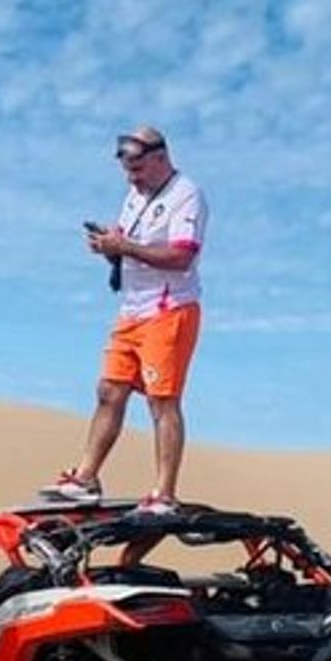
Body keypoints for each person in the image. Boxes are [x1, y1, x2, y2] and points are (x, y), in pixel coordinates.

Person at [43, 125, 207, 514]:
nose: (132, 178)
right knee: (109, 391)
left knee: (162, 401)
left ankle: (164, 494)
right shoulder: (135, 194)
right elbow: (128, 243)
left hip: (169, 310)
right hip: (132, 309)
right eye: (127, 171)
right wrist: (109, 247)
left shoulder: (187, 196)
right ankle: (85, 477)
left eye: (137, 169)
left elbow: (182, 256)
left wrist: (126, 247)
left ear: (160, 158)